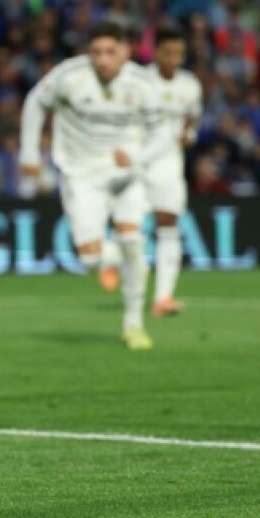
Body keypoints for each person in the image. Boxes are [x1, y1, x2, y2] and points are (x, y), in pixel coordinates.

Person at [19, 22, 169, 350]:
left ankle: (133, 324)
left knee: (131, 238)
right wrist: (29, 152)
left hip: (126, 173)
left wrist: (136, 157)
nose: (103, 59)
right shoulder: (69, 76)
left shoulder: (142, 84)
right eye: (97, 52)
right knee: (89, 258)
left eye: (110, 52)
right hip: (81, 174)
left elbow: (162, 135)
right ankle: (119, 260)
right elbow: (34, 103)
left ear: (126, 52)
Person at [144, 27, 202, 317]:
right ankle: (120, 265)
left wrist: (188, 135)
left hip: (169, 163)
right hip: (140, 162)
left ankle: (163, 297)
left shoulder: (190, 85)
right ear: (155, 52)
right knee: (127, 223)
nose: (174, 59)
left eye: (179, 53)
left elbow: (192, 116)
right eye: (168, 52)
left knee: (168, 223)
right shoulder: (141, 82)